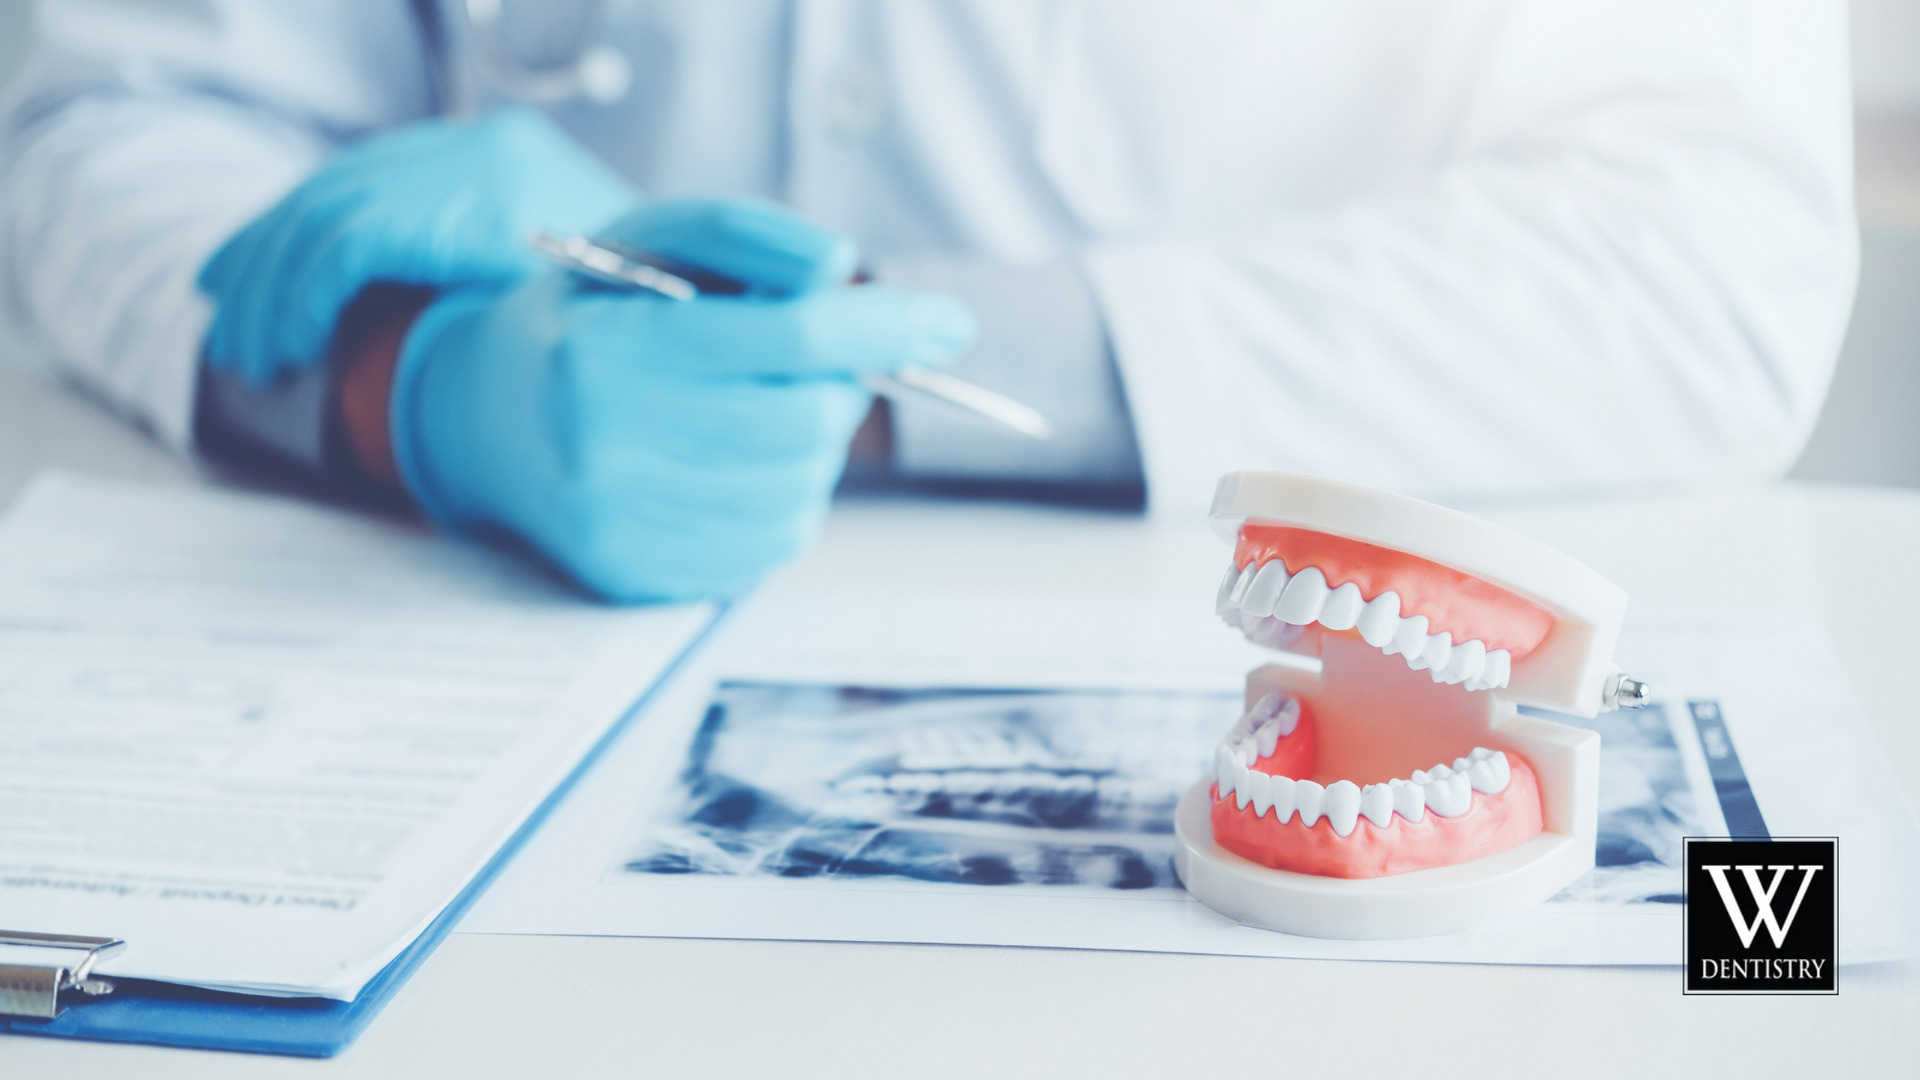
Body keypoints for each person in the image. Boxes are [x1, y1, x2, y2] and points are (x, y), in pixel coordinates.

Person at [0, 1, 1856, 602]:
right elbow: (119, 107)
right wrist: (409, 383)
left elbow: (1706, 254)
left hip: (1245, 657)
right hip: (447, 615)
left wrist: (856, 353)